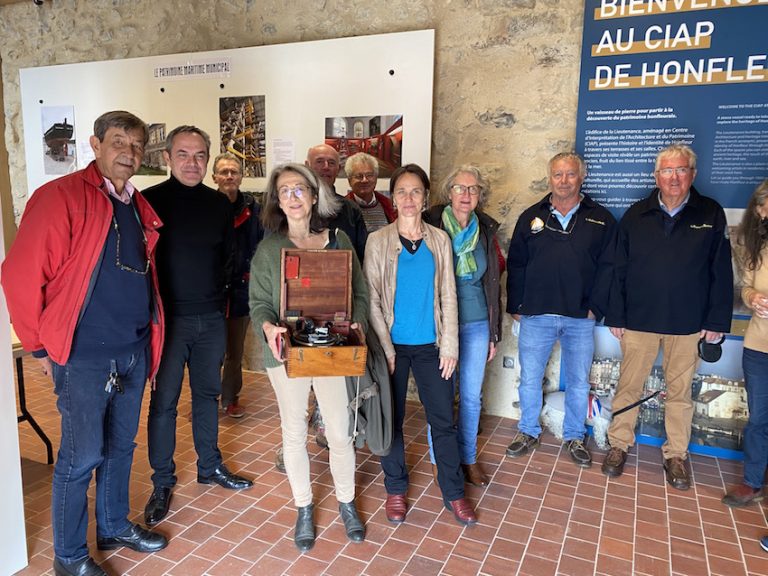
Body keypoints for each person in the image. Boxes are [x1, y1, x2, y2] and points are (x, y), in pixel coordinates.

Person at [1, 110, 168, 576]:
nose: (129, 154)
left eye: (137, 146)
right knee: (81, 456)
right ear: (95, 145)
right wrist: (38, 347)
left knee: (120, 446)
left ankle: (113, 524)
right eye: (119, 142)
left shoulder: (136, 203)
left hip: (132, 348)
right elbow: (18, 275)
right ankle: (70, 557)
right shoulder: (60, 197)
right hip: (83, 355)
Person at [249, 163, 369, 551]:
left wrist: (356, 327)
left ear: (315, 195)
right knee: (294, 433)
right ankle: (303, 506)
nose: (292, 197)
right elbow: (258, 305)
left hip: (332, 351)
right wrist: (269, 329)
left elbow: (361, 295)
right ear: (277, 201)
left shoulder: (339, 240)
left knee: (339, 430)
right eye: (284, 191)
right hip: (287, 357)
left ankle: (346, 501)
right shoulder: (269, 250)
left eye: (299, 189)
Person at [601, 144, 733, 490]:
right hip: (640, 320)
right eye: (667, 171)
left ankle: (676, 455)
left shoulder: (710, 213)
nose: (674, 178)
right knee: (629, 387)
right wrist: (616, 314)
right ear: (656, 176)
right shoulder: (636, 214)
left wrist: (717, 321)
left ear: (693, 173)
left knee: (680, 393)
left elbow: (721, 271)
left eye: (681, 170)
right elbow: (618, 269)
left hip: (688, 324)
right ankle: (618, 445)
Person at [143, 126, 253, 528]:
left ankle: (210, 466)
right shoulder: (149, 202)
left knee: (207, 396)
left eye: (200, 155)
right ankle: (162, 482)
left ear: (208, 160)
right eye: (184, 154)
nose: (193, 162)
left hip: (210, 318)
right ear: (167, 158)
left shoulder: (219, 206)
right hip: (169, 320)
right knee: (165, 403)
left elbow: (228, 259)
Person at [365, 163, 477, 526]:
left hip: (432, 347)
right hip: (392, 347)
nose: (409, 198)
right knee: (391, 419)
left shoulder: (438, 239)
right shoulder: (378, 241)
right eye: (402, 192)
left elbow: (448, 295)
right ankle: (395, 488)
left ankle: (454, 493)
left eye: (416, 191)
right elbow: (373, 300)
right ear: (393, 198)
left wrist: (450, 346)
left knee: (443, 421)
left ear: (426, 197)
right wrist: (386, 348)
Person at [506, 152, 616, 469]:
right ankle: (527, 430)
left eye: (570, 174)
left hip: (580, 317)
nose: (563, 181)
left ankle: (573, 436)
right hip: (536, 315)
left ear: (582, 177)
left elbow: (609, 268)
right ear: (549, 177)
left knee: (579, 381)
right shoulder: (531, 216)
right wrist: (516, 305)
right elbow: (516, 264)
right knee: (530, 378)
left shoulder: (601, 219)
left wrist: (597, 308)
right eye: (557, 175)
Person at [423, 165, 504, 487]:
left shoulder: (484, 230)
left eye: (473, 189)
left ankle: (468, 458)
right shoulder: (431, 225)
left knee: (471, 397)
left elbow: (494, 281)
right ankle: (438, 459)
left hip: (476, 323)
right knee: (440, 397)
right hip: (441, 324)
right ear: (449, 192)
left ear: (479, 195)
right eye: (460, 188)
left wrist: (494, 332)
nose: (466, 195)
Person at [722, 180, 768, 508]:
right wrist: (753, 298)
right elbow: (747, 286)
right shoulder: (759, 246)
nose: (763, 214)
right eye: (762, 209)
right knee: (758, 419)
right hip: (759, 345)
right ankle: (753, 482)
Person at [211, 152, 264, 418]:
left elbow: (263, 246)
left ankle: (230, 398)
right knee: (210, 351)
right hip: (210, 293)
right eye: (224, 172)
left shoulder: (255, 210)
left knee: (235, 351)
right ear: (214, 177)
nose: (229, 176)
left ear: (241, 176)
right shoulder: (205, 207)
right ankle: (207, 399)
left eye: (234, 171)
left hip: (242, 292)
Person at [306, 143, 368, 262]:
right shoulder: (294, 207)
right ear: (307, 166)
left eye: (331, 163)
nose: (326, 167)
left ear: (338, 170)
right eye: (319, 161)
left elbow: (361, 257)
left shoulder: (351, 210)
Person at [345, 151, 397, 232]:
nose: (364, 180)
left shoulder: (389, 205)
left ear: (376, 178)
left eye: (369, 175)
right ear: (349, 180)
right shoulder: (342, 209)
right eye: (359, 176)